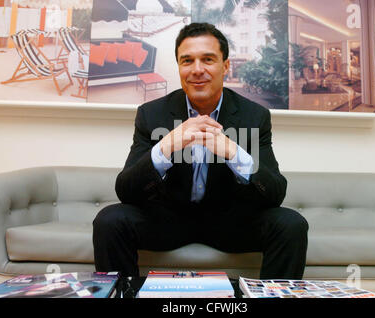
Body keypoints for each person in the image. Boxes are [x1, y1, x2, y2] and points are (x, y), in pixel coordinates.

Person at [93, 23, 308, 280]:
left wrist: (233, 152)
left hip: (230, 223)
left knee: (291, 224)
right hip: (168, 221)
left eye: (208, 59)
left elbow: (275, 193)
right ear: (179, 67)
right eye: (187, 61)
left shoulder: (254, 116)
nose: (197, 70)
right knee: (110, 219)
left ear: (225, 66)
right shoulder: (152, 114)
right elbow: (126, 190)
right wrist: (166, 147)